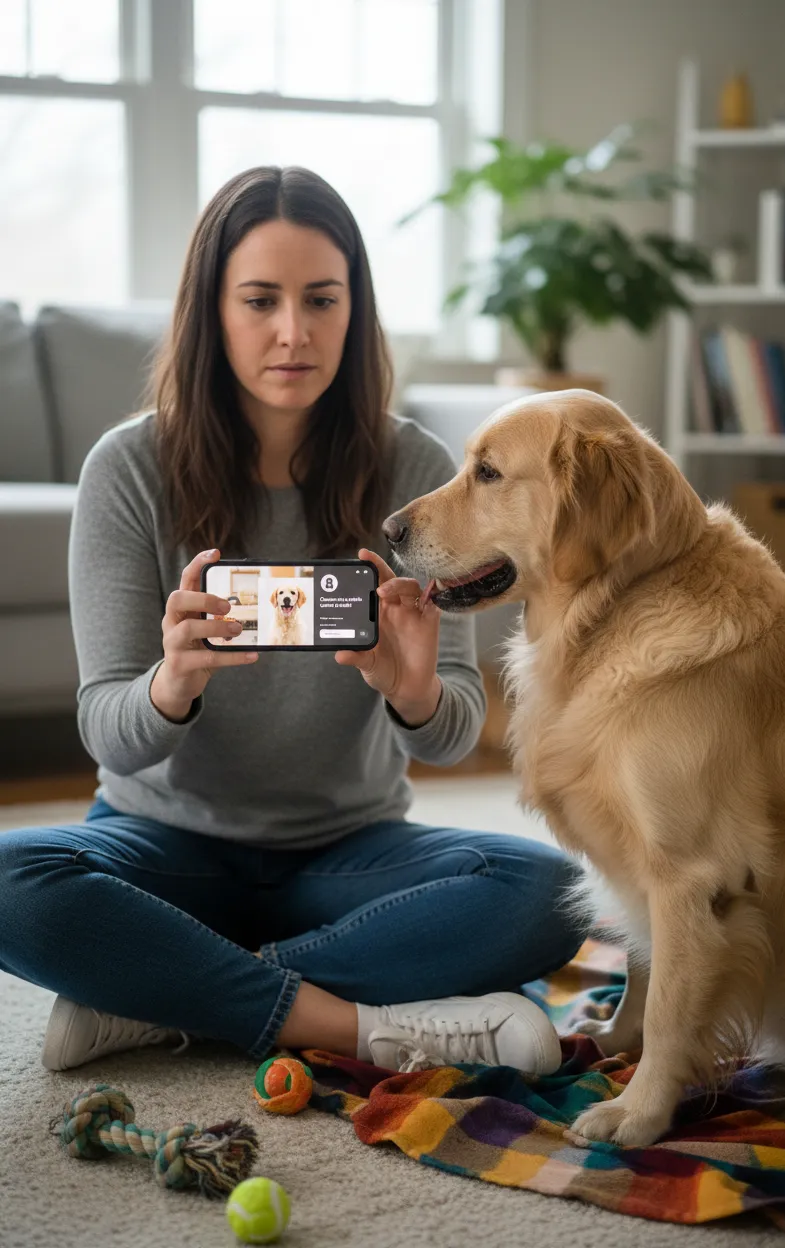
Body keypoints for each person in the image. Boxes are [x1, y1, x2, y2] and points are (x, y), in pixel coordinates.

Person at [0, 166, 587, 1075]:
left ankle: (163, 1001)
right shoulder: (126, 469)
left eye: (321, 299)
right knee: (12, 877)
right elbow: (110, 739)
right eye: (260, 300)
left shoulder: (418, 468)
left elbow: (451, 737)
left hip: (350, 856)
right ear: (210, 309)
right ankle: (356, 1027)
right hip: (166, 846)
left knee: (550, 892)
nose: (293, 332)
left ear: (356, 310)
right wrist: (170, 686)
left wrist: (416, 690)